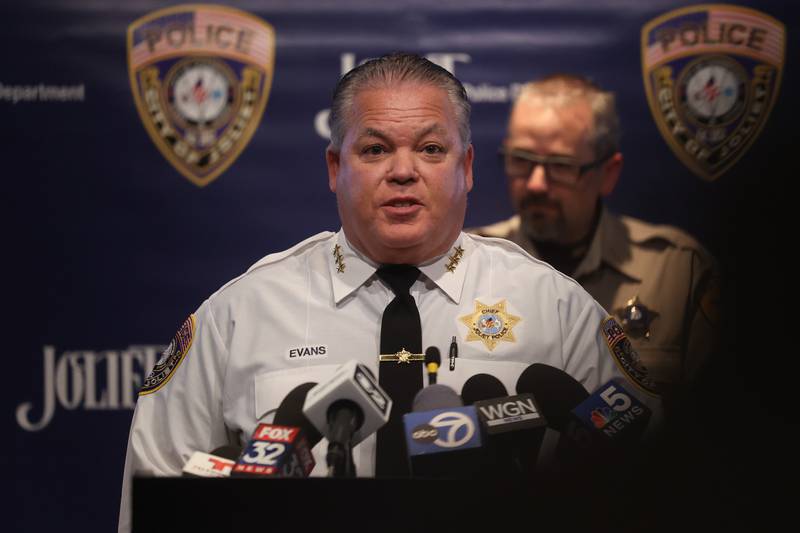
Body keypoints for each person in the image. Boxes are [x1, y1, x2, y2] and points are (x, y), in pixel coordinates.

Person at [118, 55, 658, 532]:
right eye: (375, 149)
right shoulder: (239, 315)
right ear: (335, 168)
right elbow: (154, 494)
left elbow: (655, 480)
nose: (403, 171)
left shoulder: (555, 309)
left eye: (430, 148)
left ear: (466, 168)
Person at [472, 74, 719, 391]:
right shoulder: (469, 263)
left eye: (560, 166)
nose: (535, 183)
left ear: (608, 173)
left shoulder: (677, 271)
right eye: (520, 160)